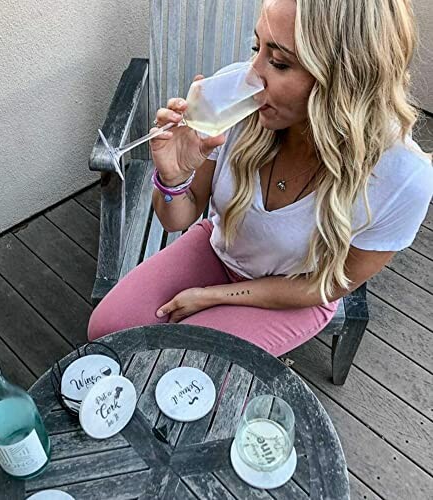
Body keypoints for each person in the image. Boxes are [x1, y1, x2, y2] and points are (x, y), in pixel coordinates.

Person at [88, 0, 433, 357]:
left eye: (279, 62)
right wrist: (174, 177)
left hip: (297, 294)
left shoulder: (403, 178)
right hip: (223, 249)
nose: (252, 75)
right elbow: (179, 218)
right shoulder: (238, 97)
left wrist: (213, 298)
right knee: (106, 331)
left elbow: (331, 284)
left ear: (347, 78)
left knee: (181, 362)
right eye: (257, 47)